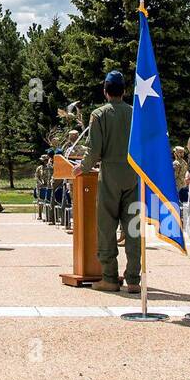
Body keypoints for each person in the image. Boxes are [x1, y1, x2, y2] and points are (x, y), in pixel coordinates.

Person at [77, 70, 138, 292]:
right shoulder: (135, 114)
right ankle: (133, 280)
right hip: (133, 173)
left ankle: (110, 277)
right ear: (124, 91)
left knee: (106, 226)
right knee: (133, 227)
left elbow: (94, 150)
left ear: (105, 91)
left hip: (110, 172)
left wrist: (81, 167)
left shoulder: (99, 115)